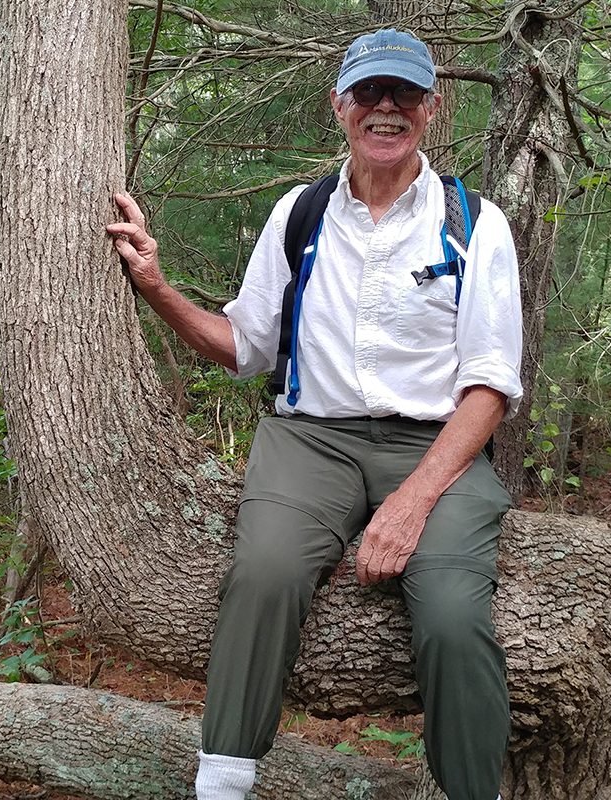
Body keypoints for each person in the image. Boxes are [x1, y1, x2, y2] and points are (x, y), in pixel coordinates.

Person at [107, 29, 522, 800]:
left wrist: (413, 501)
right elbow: (244, 348)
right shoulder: (299, 215)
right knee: (264, 573)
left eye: (403, 93)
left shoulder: (474, 223)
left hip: (437, 444)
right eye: (369, 92)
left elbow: (490, 386)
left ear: (432, 108)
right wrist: (157, 287)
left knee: (454, 616)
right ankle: (223, 780)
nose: (386, 108)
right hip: (310, 440)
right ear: (340, 107)